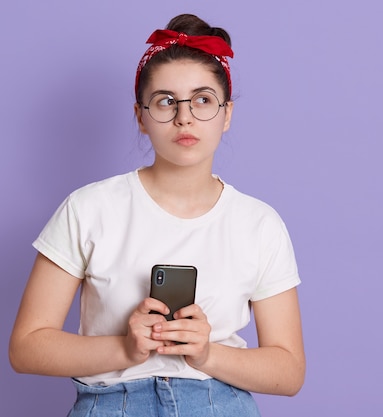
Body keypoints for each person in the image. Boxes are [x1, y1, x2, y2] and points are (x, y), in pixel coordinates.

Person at [9, 13, 305, 417]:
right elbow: (26, 347)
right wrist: (125, 348)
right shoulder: (88, 208)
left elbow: (289, 371)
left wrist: (206, 354)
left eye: (203, 100)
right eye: (166, 101)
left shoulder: (259, 223)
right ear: (141, 116)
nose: (185, 117)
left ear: (227, 113)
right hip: (112, 404)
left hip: (220, 403)